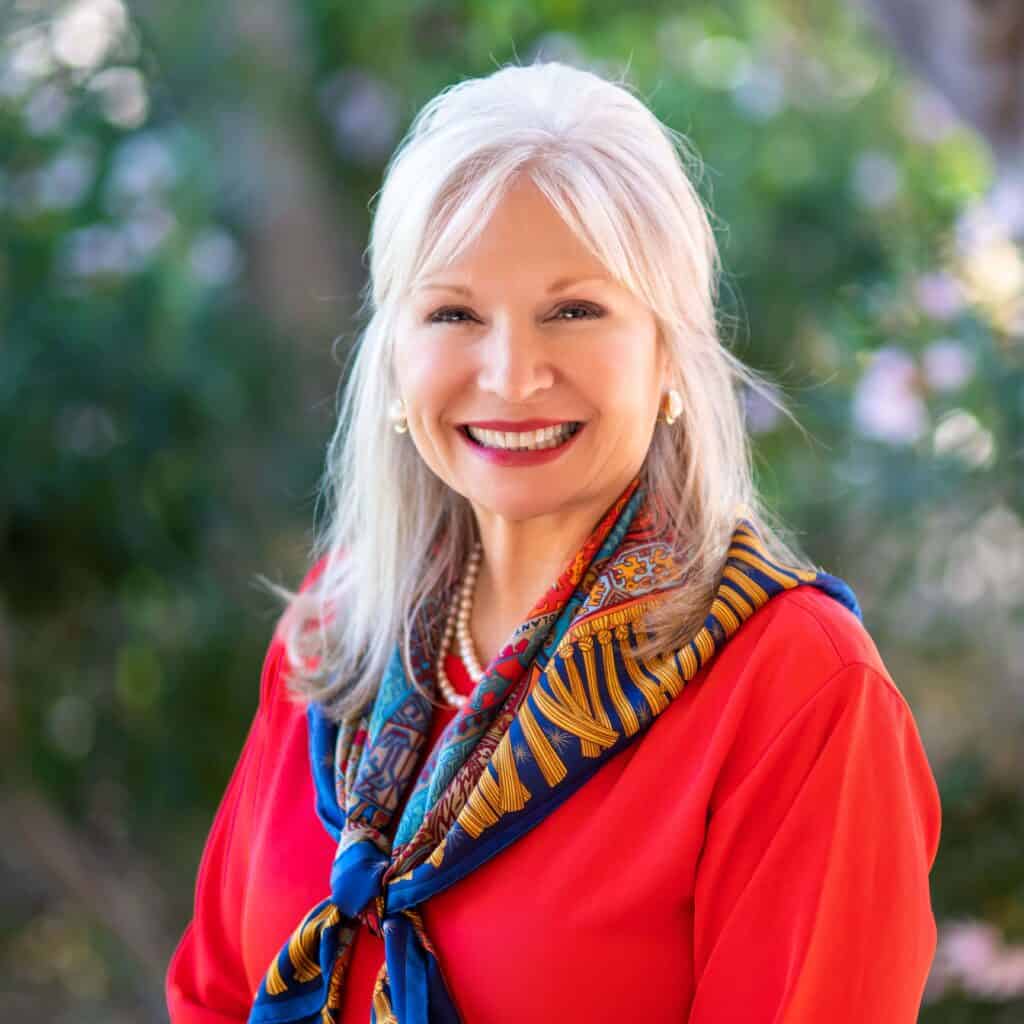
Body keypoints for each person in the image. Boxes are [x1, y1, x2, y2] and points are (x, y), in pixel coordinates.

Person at [165, 59, 942, 1023]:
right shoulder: (337, 626)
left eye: (574, 311)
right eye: (453, 312)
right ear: (395, 356)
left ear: (669, 355)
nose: (511, 374)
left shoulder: (798, 690)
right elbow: (211, 993)